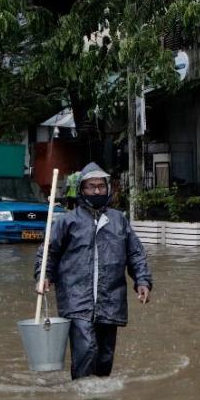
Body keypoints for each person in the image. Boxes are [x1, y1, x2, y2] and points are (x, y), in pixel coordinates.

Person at [35, 162, 152, 380]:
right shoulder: (68, 221)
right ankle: (81, 394)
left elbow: (136, 254)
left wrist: (142, 281)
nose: (97, 191)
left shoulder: (119, 221)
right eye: (91, 186)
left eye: (101, 186)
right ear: (82, 190)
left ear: (107, 189)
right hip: (76, 298)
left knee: (105, 356)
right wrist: (44, 276)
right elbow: (48, 252)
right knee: (85, 348)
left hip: (110, 299)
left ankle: (100, 397)